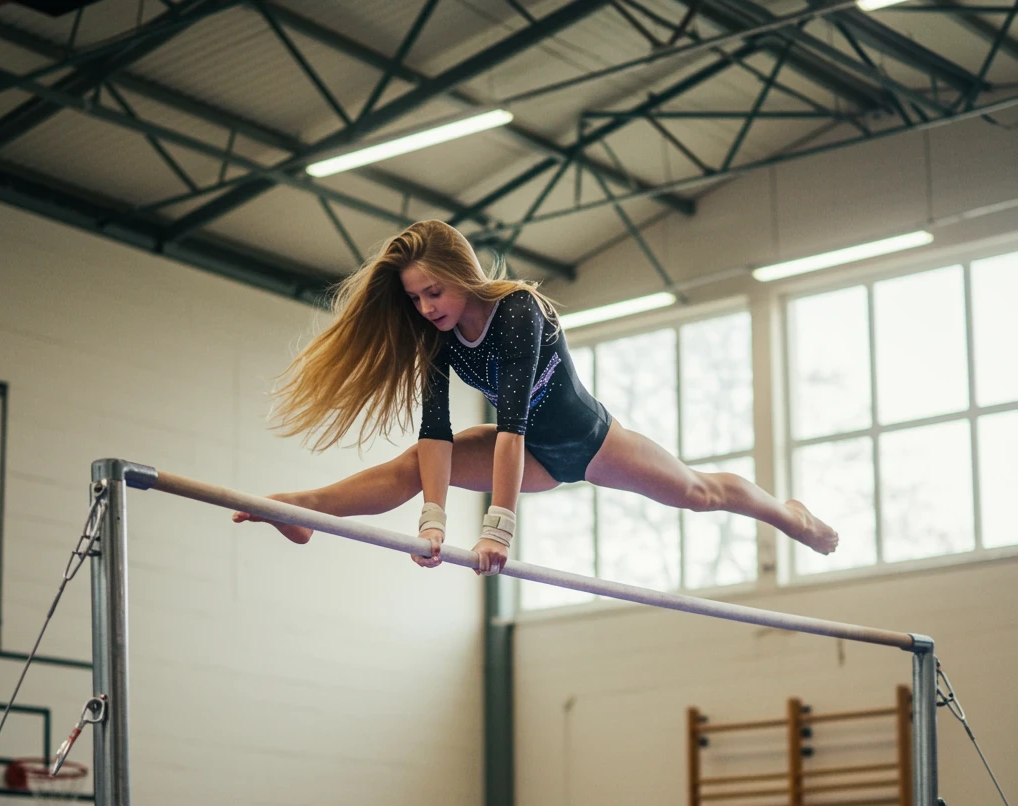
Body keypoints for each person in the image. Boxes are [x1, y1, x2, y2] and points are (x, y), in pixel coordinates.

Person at [234, 220, 837, 576]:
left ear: (461, 272)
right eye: (416, 298)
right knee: (409, 468)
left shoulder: (519, 311)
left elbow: (511, 428)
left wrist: (499, 528)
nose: (426, 308)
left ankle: (789, 515)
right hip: (533, 460)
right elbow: (436, 436)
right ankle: (303, 510)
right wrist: (435, 525)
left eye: (434, 291)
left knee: (700, 493)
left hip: (590, 442)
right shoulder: (436, 338)